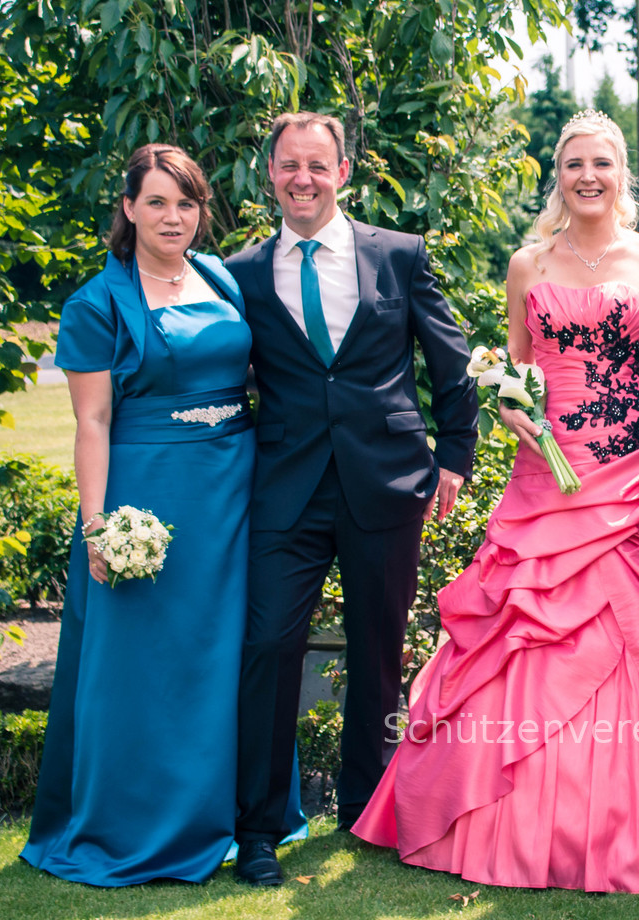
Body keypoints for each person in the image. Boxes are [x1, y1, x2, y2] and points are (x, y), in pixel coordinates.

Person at [351, 109, 639, 892]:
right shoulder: (528, 265)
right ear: (558, 174)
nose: (588, 176)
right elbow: (515, 370)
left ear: (622, 175)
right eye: (574, 163)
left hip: (637, 480)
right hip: (546, 481)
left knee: (638, 637)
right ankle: (505, 823)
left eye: (602, 163)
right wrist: (510, 405)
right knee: (526, 637)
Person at [23, 144, 302, 884]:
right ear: (128, 208)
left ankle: (243, 817)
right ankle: (141, 822)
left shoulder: (219, 276)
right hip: (149, 491)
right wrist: (96, 525)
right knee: (148, 657)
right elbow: (92, 422)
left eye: (186, 203)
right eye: (156, 202)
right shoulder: (95, 304)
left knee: (230, 649)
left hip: (234, 488)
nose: (173, 217)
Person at [225, 112, 480, 886]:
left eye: (317, 165)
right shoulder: (239, 273)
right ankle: (259, 827)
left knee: (378, 651)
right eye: (288, 165)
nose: (302, 178)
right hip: (286, 489)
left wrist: (455, 456)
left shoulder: (397, 255)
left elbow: (451, 360)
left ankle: (366, 806)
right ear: (270, 173)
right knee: (268, 645)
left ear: (343, 173)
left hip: (386, 482)